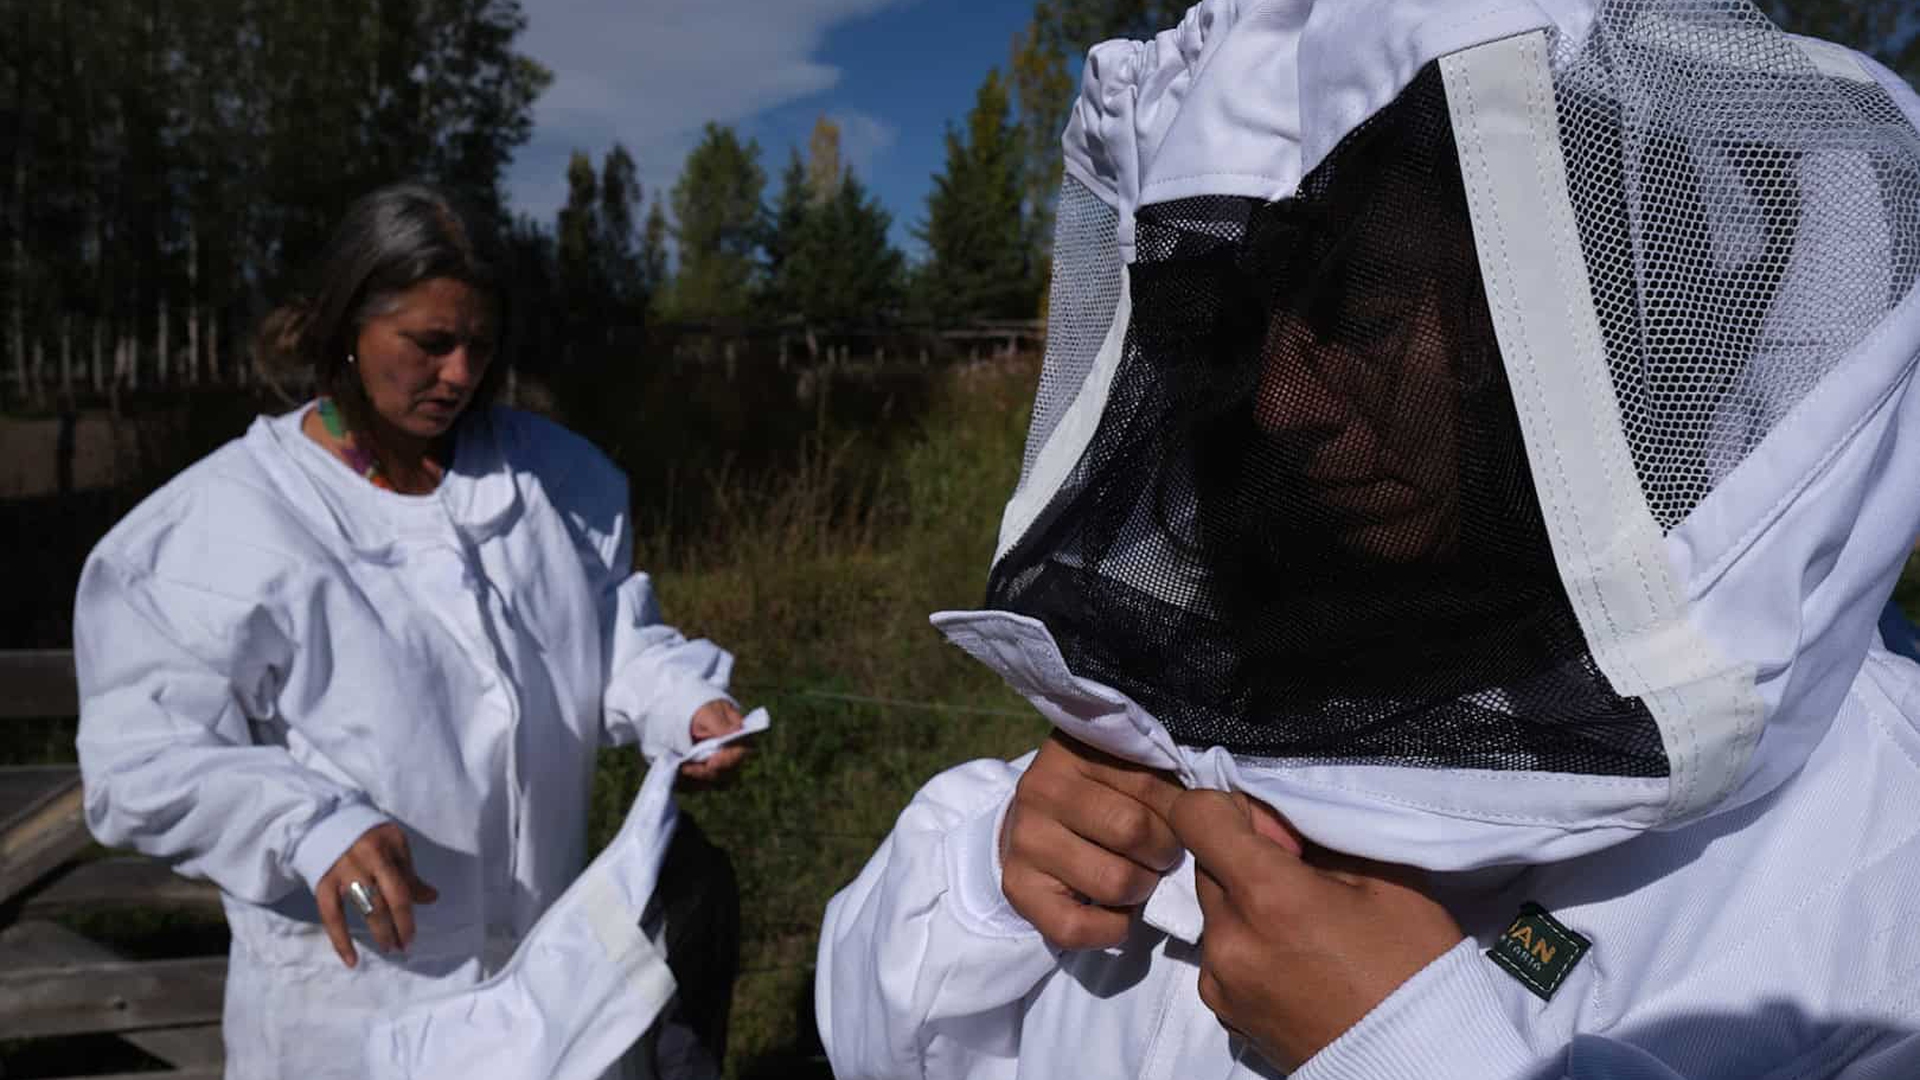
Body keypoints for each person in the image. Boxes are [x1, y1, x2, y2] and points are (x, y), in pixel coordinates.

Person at [817, 1, 1920, 1077]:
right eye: (1251, 336)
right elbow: (870, 1032)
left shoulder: (1878, 869)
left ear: (1594, 318)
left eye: (1371, 318)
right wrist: (996, 883)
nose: (1283, 405)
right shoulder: (1238, 652)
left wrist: (1414, 1046)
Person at [73, 182, 753, 1080]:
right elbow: (140, 760)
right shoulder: (220, 527)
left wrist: (680, 701)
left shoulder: (556, 480)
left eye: (480, 344)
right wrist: (307, 824)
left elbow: (608, 634)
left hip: (551, 993)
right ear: (347, 326)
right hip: (352, 1011)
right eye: (430, 344)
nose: (462, 375)